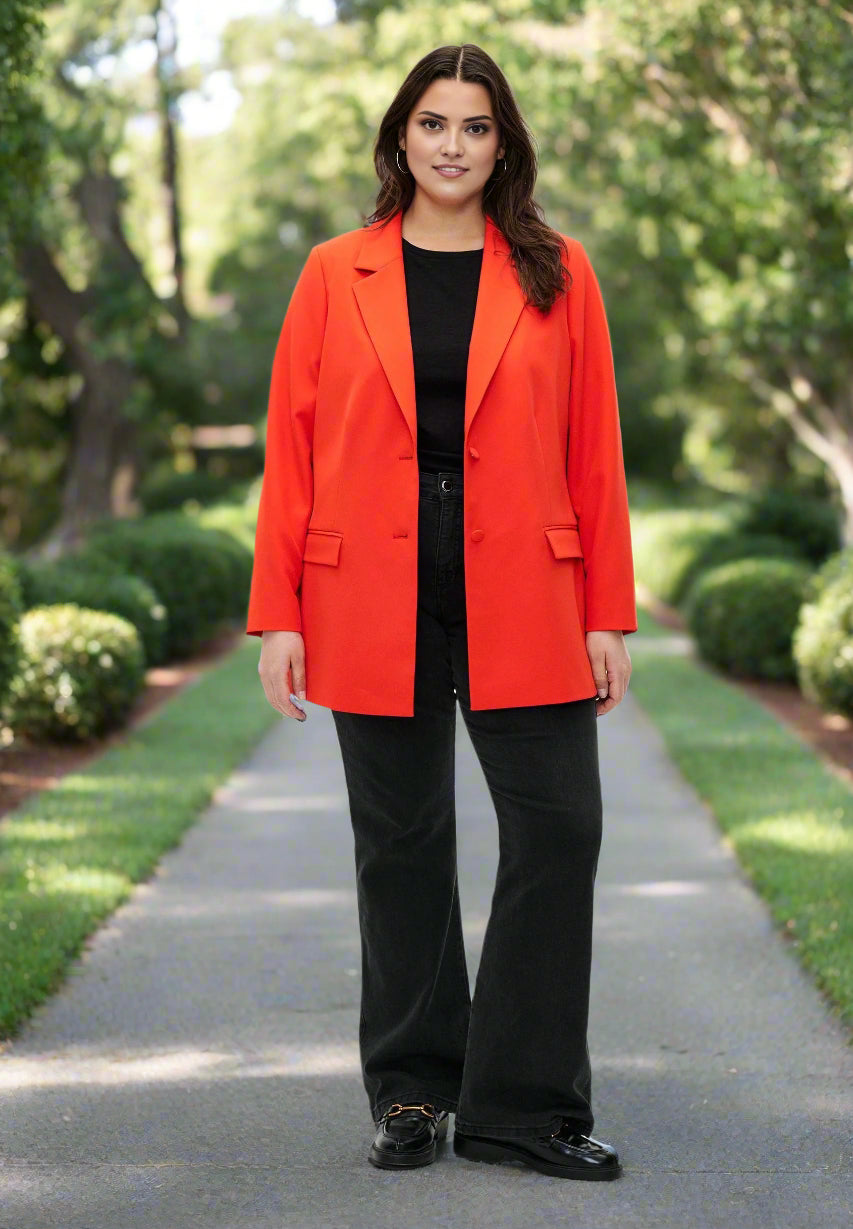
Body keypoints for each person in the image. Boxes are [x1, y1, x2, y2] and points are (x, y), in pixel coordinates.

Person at [246, 43, 637, 1182]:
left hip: (531, 590)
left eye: (474, 125)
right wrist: (281, 613)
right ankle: (414, 1088)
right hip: (369, 588)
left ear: (501, 142)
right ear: (400, 139)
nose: (453, 144)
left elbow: (595, 451)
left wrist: (607, 609)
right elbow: (294, 446)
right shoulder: (335, 270)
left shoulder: (559, 270)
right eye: (432, 123)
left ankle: (522, 1105)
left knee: (561, 829)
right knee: (403, 845)